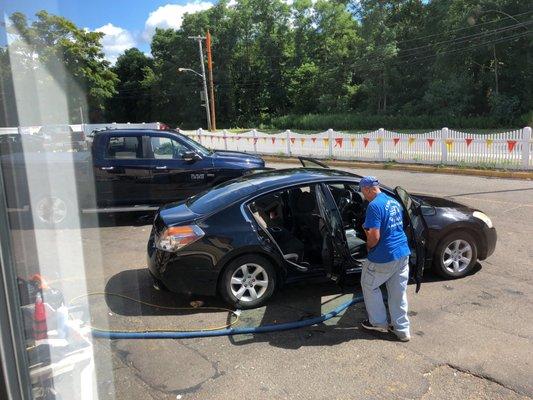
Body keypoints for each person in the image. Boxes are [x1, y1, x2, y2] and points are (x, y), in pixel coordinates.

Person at [359, 176, 411, 342]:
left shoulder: (374, 206)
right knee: (398, 293)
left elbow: (374, 236)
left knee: (369, 285)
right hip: (402, 253)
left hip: (384, 256)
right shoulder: (393, 201)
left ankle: (378, 323)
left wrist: (368, 246)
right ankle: (402, 330)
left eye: (362, 192)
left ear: (368, 189)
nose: (363, 196)